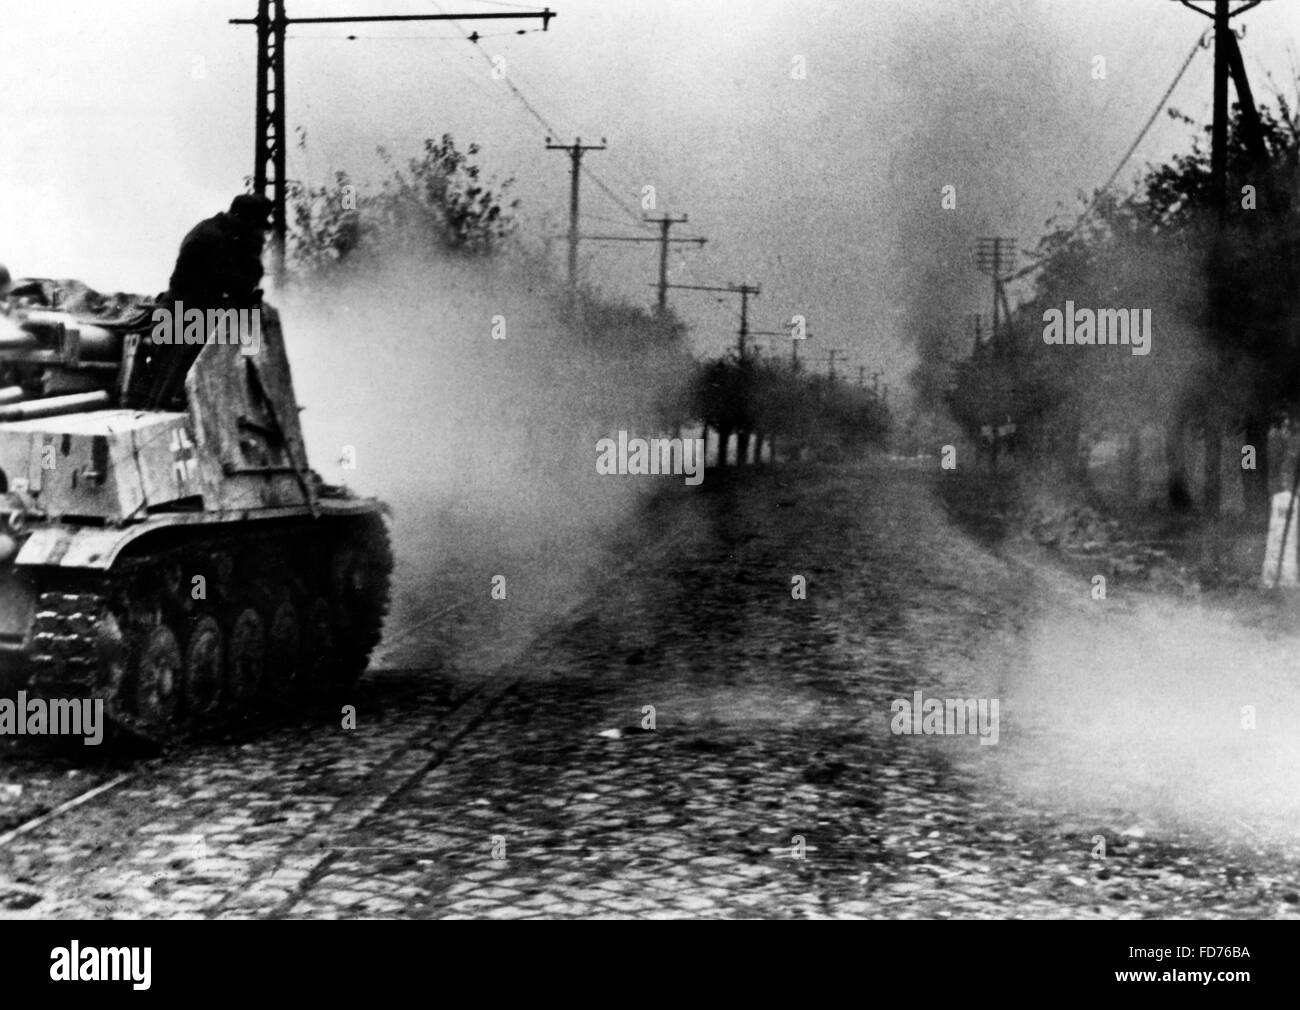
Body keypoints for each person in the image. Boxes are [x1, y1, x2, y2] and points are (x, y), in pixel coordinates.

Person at [134, 194, 273, 408]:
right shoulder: (210, 237)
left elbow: (245, 287)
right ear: (246, 221)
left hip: (202, 310)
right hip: (183, 313)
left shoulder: (230, 235)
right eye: (256, 227)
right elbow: (235, 285)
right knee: (241, 321)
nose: (258, 234)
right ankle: (181, 402)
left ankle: (252, 397)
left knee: (248, 321)